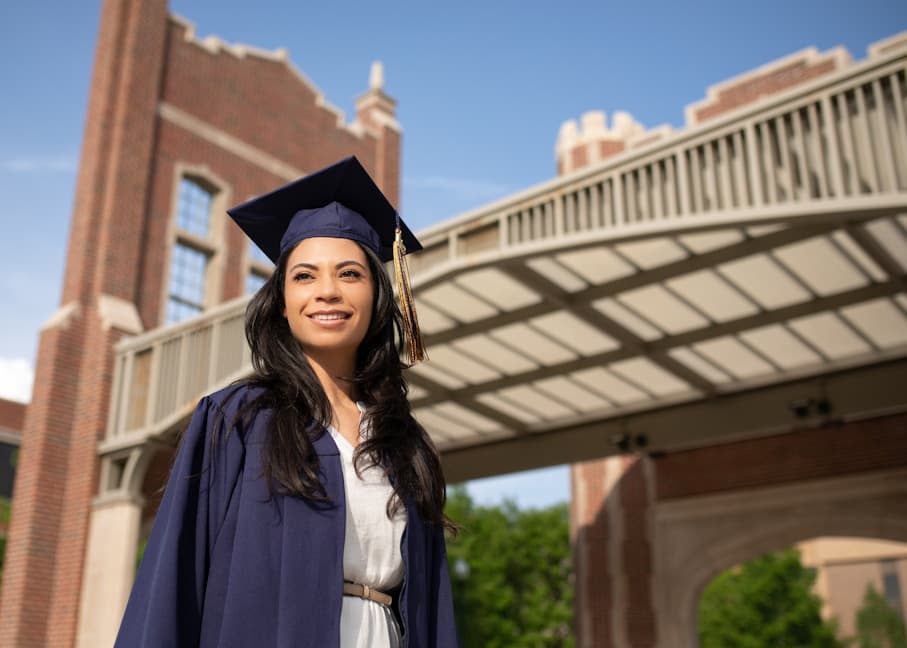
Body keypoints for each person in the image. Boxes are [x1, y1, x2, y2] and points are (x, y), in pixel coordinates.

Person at [114, 157, 459, 648]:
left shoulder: (405, 445)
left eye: (349, 274)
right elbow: (173, 579)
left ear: (377, 295)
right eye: (304, 276)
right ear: (280, 300)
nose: (327, 292)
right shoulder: (237, 419)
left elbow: (434, 607)